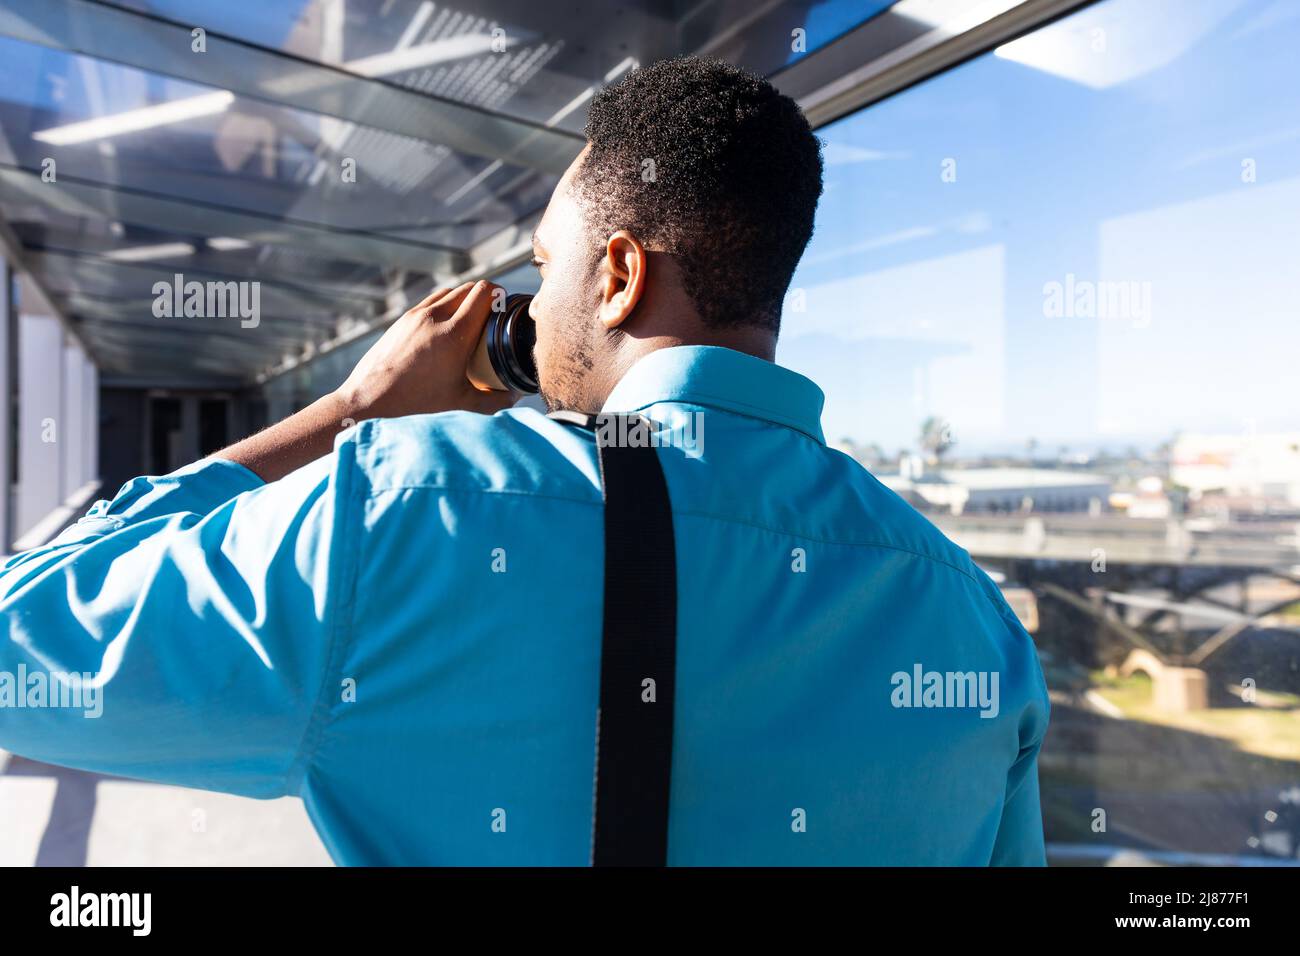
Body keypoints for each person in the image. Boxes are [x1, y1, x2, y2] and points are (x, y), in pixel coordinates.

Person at [0, 56, 1048, 865]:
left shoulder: (409, 512)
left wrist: (350, 409)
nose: (532, 306)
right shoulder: (971, 617)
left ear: (621, 276)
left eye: (546, 265)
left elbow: (19, 644)